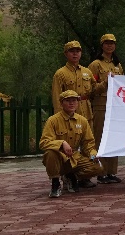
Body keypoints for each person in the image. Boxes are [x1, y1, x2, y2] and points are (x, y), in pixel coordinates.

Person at [39, 90, 104, 198]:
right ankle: (55, 183)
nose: (71, 103)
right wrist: (61, 143)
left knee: (97, 167)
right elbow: (44, 142)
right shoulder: (53, 120)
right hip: (59, 158)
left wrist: (93, 155)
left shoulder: (82, 121)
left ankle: (71, 176)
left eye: (74, 100)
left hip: (74, 157)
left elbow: (88, 144)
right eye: (68, 101)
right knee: (50, 153)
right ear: (61, 103)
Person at [51, 40, 97, 188]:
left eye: (78, 51)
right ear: (66, 54)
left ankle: (84, 176)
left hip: (86, 110)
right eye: (72, 51)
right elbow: (57, 96)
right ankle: (67, 175)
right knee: (69, 146)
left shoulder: (87, 72)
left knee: (87, 143)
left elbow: (95, 90)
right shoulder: (60, 74)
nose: (75, 54)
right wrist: (59, 117)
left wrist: (109, 82)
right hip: (68, 113)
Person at [88, 33, 123, 184]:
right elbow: (91, 89)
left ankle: (111, 172)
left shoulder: (118, 65)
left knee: (113, 139)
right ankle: (100, 171)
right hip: (101, 106)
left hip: (115, 107)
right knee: (100, 139)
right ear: (102, 46)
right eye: (107, 43)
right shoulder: (95, 65)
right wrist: (105, 83)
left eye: (112, 43)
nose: (110, 45)